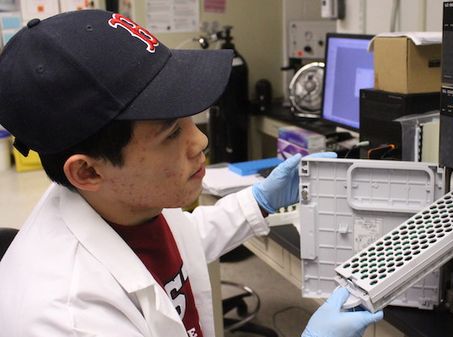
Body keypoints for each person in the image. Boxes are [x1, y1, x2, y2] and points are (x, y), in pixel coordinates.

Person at [0, 9, 383, 337]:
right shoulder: (70, 320)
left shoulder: (121, 204)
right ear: (86, 170)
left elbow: (182, 242)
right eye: (171, 132)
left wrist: (260, 200)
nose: (199, 141)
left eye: (189, 120)